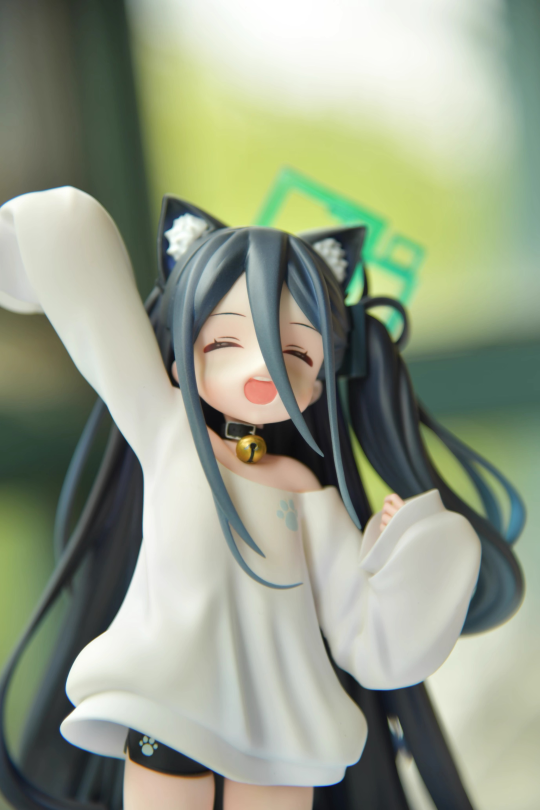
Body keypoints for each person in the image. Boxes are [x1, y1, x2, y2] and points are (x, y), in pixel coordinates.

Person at [0, 187, 524, 810]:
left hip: (280, 711)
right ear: (179, 358)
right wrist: (53, 234)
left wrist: (396, 549)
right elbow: (103, 328)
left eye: (296, 352)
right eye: (224, 344)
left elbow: (353, 618)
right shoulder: (171, 436)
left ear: (318, 382)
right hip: (172, 688)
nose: (262, 370)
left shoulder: (303, 490)